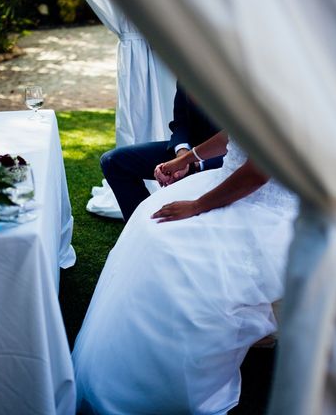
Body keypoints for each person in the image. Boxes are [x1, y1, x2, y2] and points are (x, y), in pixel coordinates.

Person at [73, 131, 299, 414]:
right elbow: (233, 131)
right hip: (223, 181)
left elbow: (257, 172)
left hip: (262, 204)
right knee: (149, 222)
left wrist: (197, 205)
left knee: (175, 254)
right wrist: (187, 158)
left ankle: (175, 375)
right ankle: (137, 359)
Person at [100, 83, 222, 221]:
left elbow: (242, 153)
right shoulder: (188, 71)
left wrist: (194, 164)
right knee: (113, 161)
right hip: (189, 152)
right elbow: (181, 122)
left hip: (225, 161)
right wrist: (182, 153)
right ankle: (141, 224)